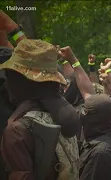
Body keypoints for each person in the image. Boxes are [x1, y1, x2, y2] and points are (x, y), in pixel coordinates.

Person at [1, 39, 80, 179]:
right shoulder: (63, 115)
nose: (6, 83)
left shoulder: (17, 130)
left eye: (10, 76)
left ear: (23, 81)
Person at [79, 94, 111, 180]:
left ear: (96, 118)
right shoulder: (97, 135)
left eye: (85, 111)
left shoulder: (101, 153)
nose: (81, 114)